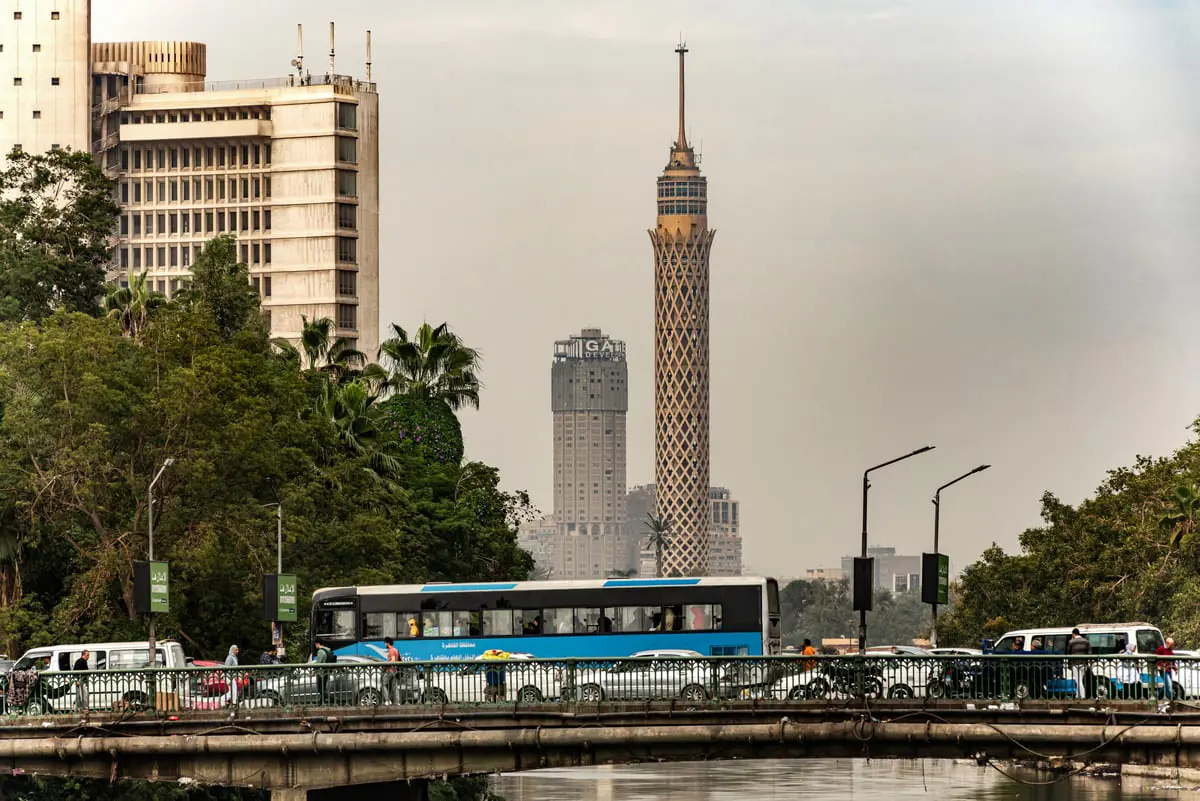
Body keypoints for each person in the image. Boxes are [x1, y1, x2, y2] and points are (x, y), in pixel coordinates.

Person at [1067, 628, 1092, 699]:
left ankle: (1083, 696)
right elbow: (1090, 653)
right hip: (1084, 664)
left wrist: (1069, 665)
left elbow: (1068, 654)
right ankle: (1077, 695)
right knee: (1080, 680)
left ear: (1073, 634)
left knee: (1078, 681)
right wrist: (1087, 663)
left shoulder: (1071, 642)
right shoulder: (1086, 641)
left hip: (1075, 664)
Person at [1156, 637, 1178, 701]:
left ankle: (1158, 697)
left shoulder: (1170, 650)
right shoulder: (1161, 649)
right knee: (1168, 684)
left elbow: (1172, 660)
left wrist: (1175, 668)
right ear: (1167, 643)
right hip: (1163, 669)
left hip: (1168, 669)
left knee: (1167, 684)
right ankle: (1170, 699)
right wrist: (1158, 665)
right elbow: (1156, 658)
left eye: (1172, 645)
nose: (1172, 646)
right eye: (1171, 644)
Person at [314, 640, 333, 704]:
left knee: (320, 689)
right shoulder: (328, 650)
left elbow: (318, 663)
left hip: (321, 672)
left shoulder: (320, 651)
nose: (315, 646)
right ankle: (322, 702)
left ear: (318, 644)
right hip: (326, 671)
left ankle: (332, 698)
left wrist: (313, 668)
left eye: (315, 644)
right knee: (323, 688)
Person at [384, 636, 401, 705]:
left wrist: (386, 664)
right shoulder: (396, 650)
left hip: (390, 670)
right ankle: (397, 702)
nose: (385, 645)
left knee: (383, 684)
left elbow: (393, 660)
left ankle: (387, 700)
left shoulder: (391, 650)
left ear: (388, 643)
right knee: (395, 687)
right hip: (395, 670)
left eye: (385, 643)